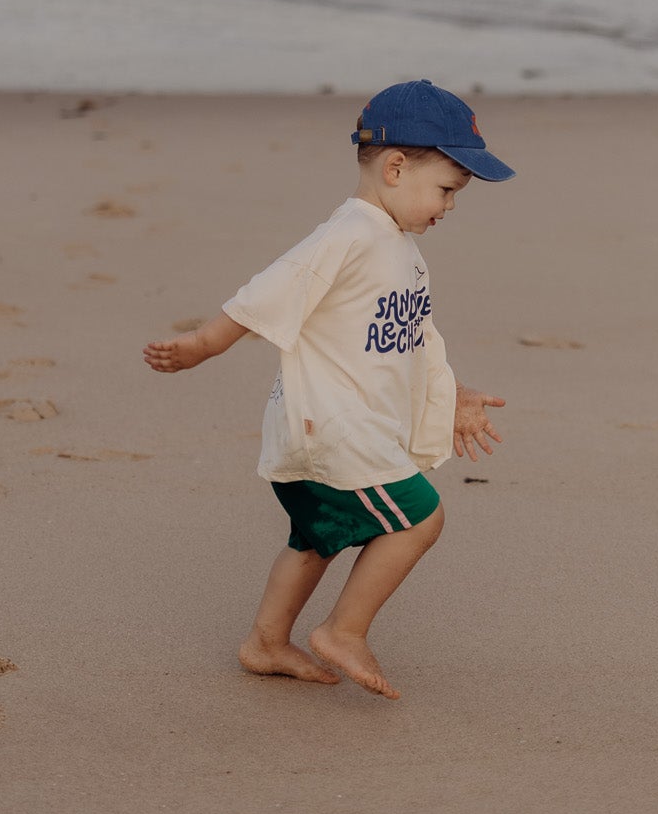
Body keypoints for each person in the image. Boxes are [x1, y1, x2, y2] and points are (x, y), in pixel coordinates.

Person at [142, 79, 514, 700]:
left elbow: (413, 341)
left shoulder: (399, 247)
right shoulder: (350, 234)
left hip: (339, 427)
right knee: (420, 519)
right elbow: (272, 288)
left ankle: (265, 643)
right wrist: (202, 345)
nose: (450, 206)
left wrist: (454, 394)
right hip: (332, 427)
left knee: (318, 538)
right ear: (396, 167)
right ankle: (344, 631)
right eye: (447, 189)